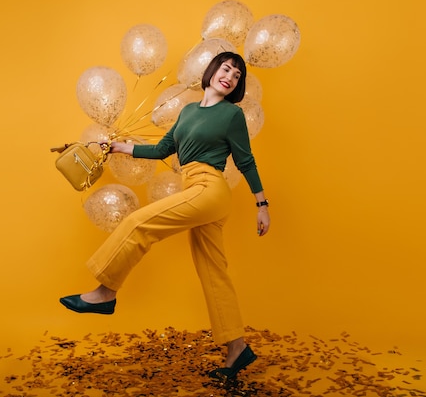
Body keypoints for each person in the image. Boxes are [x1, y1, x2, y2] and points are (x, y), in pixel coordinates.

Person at [60, 51, 270, 382]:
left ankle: (105, 292)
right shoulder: (187, 113)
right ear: (212, 72)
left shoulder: (231, 116)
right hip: (195, 187)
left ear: (236, 86)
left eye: (237, 74)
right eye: (226, 68)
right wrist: (119, 148)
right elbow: (161, 150)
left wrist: (262, 204)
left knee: (138, 223)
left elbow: (246, 161)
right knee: (214, 273)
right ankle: (237, 348)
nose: (230, 75)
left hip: (209, 188)